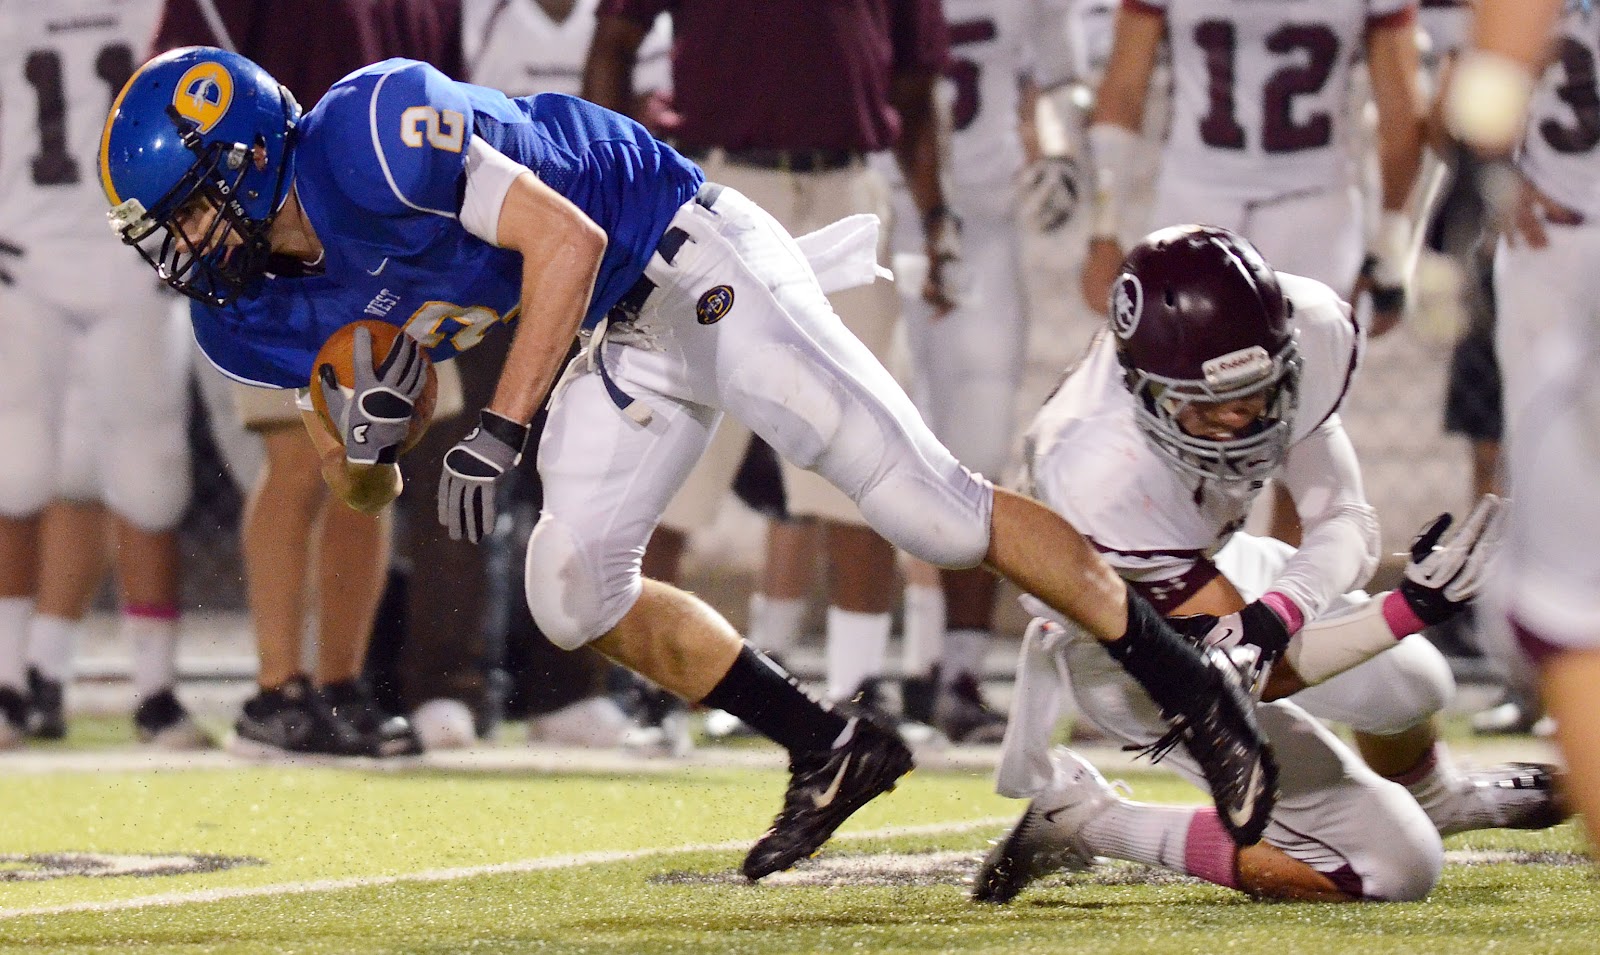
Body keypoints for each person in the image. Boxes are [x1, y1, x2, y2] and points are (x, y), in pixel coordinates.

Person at [99, 46, 1276, 879]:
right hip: (614, 334)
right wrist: (369, 448)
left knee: (928, 509)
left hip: (683, 249)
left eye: (188, 212)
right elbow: (361, 476)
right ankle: (830, 744)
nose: (182, 249)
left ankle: (1195, 690)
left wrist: (501, 428)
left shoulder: (370, 137)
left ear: (246, 161)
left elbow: (568, 239)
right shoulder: (241, 315)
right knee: (569, 591)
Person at [972, 226, 1564, 906]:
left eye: (1260, 390)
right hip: (1131, 644)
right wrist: (1405, 609)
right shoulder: (1097, 471)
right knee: (1394, 867)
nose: (1243, 417)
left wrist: (1280, 609)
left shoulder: (1307, 322)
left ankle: (1433, 797)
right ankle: (1085, 817)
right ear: (1145, 390)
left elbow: (1344, 521)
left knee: (1417, 683)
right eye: (1212, 404)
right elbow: (1264, 669)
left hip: (1215, 562)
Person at [581, 0, 959, 721]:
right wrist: (613, 188)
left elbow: (913, 86)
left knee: (870, 440)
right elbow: (616, 36)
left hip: (847, 190)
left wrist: (938, 219)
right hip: (719, 186)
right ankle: (651, 689)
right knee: (670, 444)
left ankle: (855, 683)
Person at [147, 0, 463, 757]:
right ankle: (275, 690)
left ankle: (340, 684)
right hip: (274, 243)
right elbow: (180, 85)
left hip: (385, 244)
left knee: (374, 447)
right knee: (297, 458)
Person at [454, 0, 681, 752]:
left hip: (591, 275)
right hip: (490, 279)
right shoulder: (481, 18)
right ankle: (454, 682)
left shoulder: (625, 25)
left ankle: (569, 688)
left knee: (574, 480)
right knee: (467, 487)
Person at [0, 0, 208, 749]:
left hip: (130, 263)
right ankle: (11, 680)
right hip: (26, 255)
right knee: (16, 471)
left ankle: (154, 690)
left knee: (151, 477)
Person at [882, 0, 1079, 743]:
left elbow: (1058, 81)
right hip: (880, 213)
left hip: (986, 221)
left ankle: (954, 670)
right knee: (870, 442)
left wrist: (1060, 150)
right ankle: (885, 666)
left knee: (978, 450)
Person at [1444, 0, 1600, 858]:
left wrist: (1479, 176)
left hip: (1569, 258)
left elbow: (1498, 58)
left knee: (1572, 603)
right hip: (1564, 240)